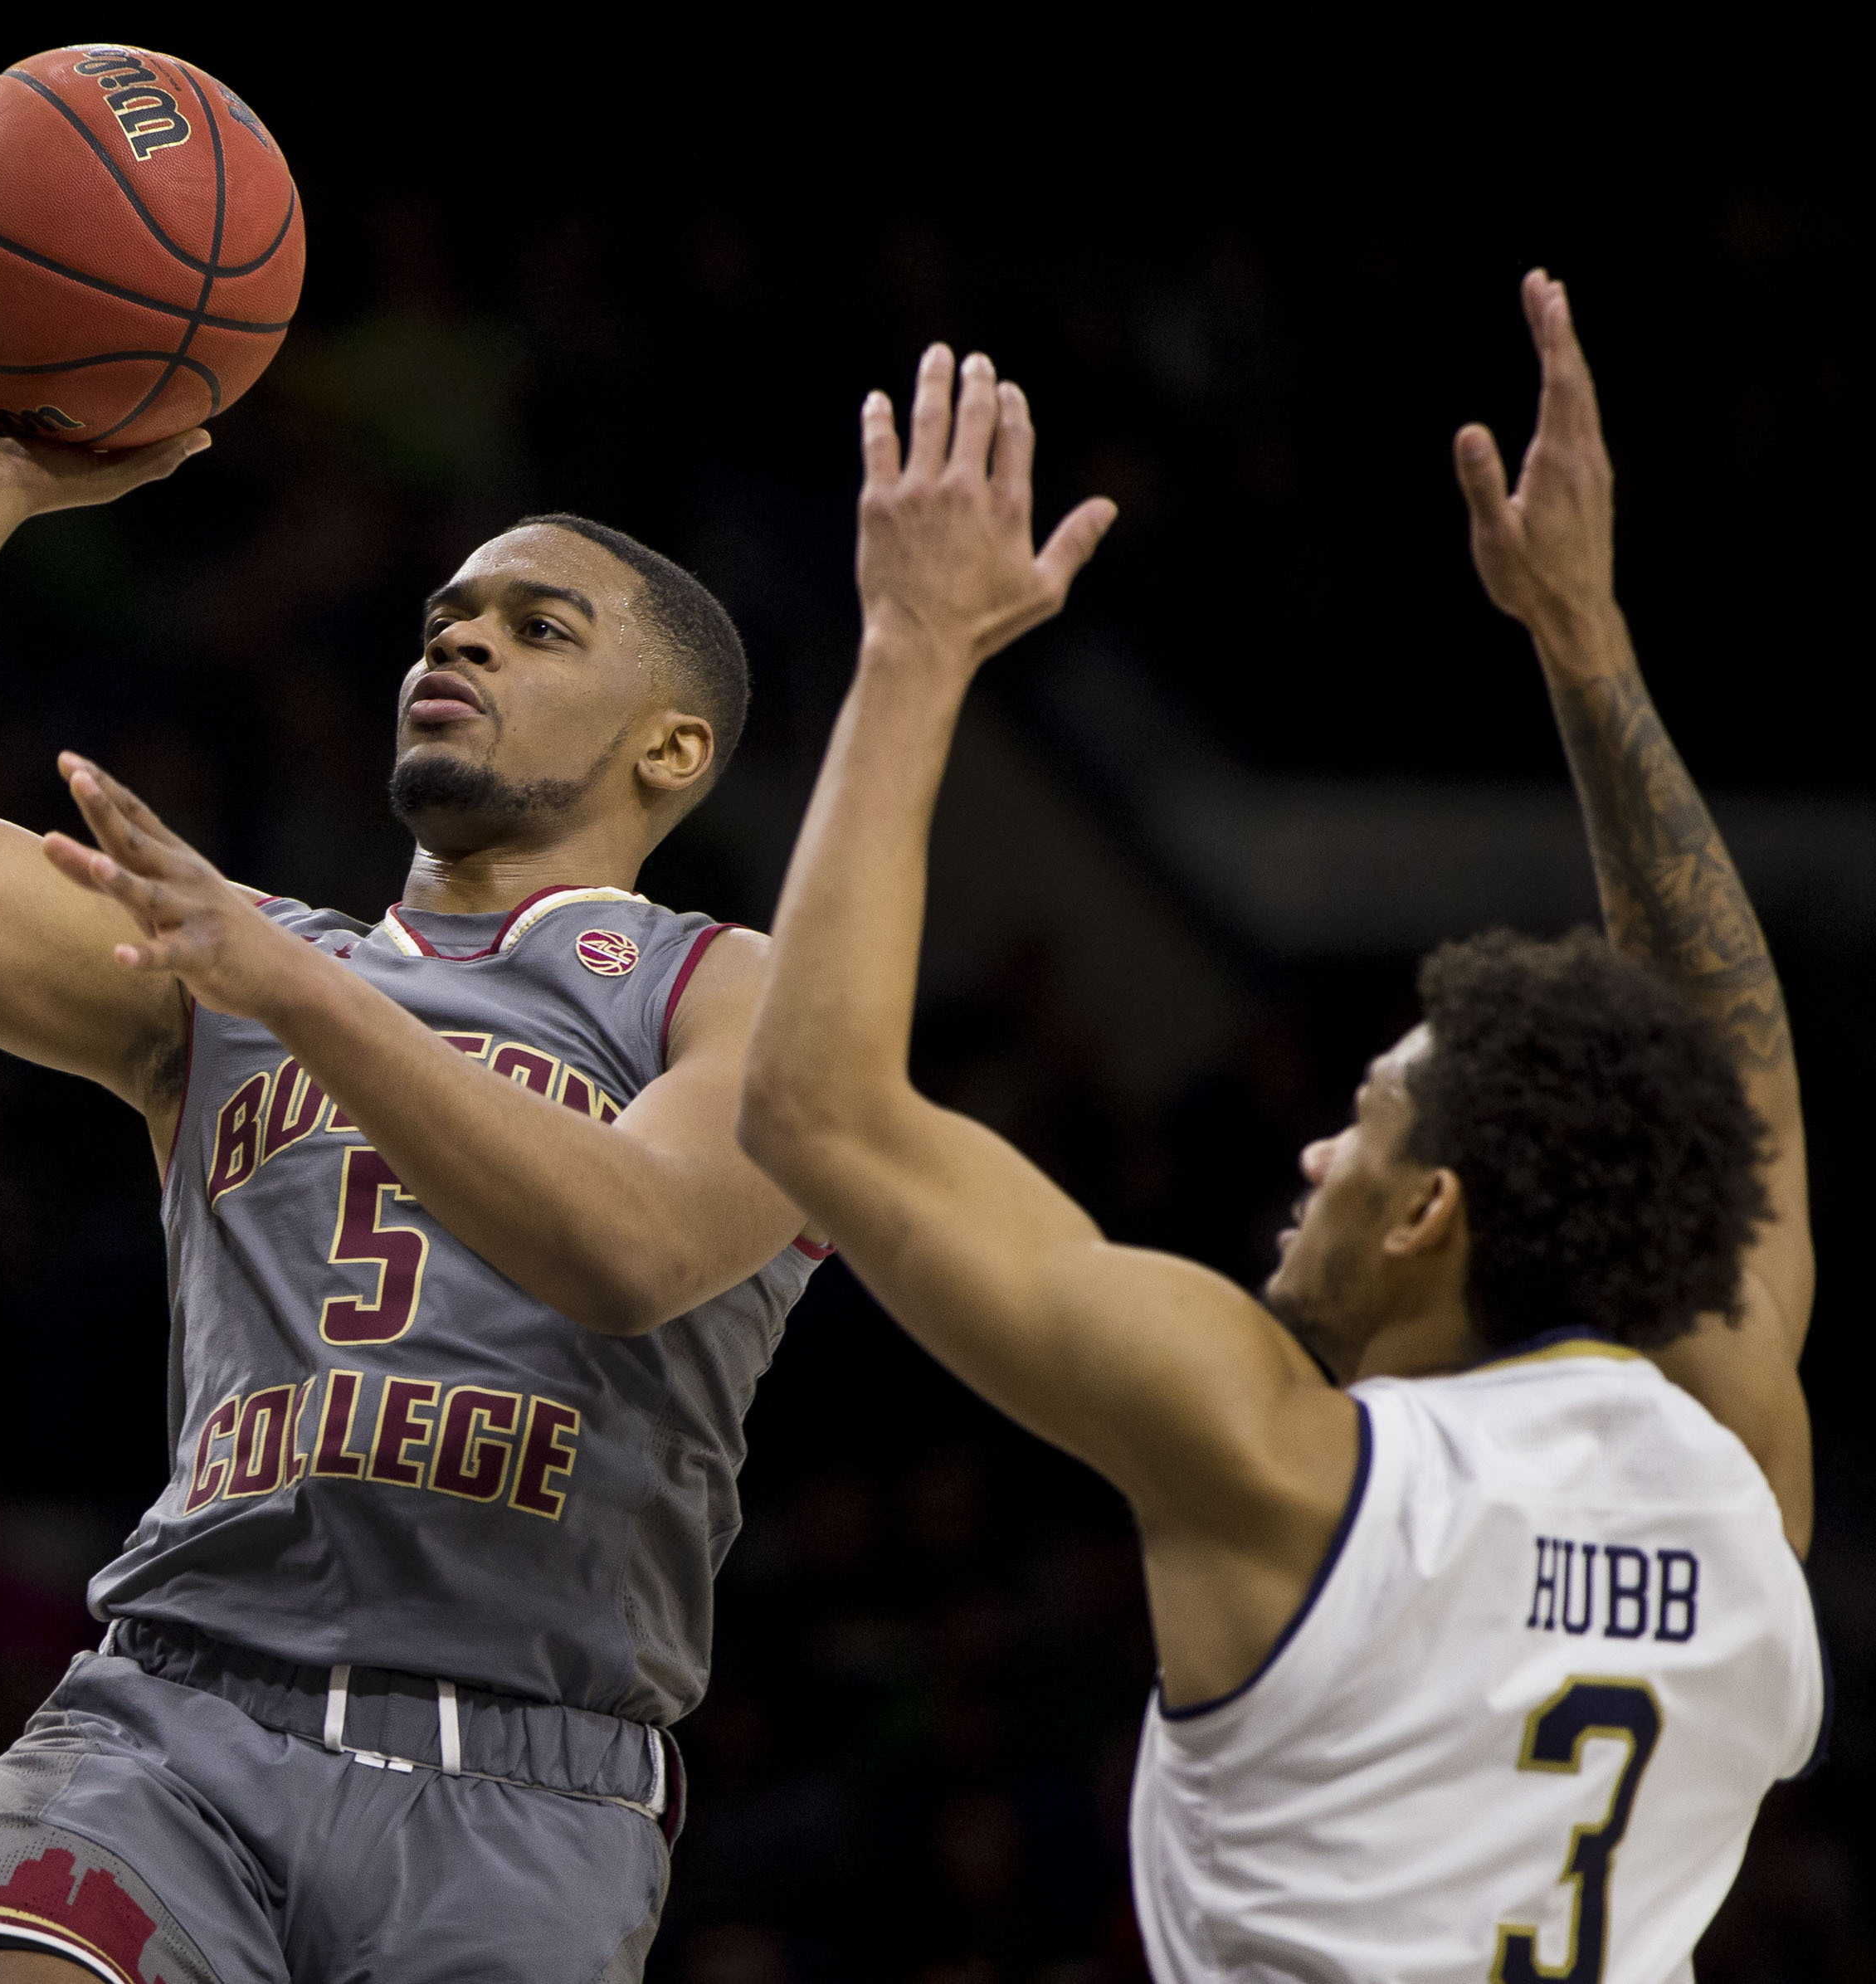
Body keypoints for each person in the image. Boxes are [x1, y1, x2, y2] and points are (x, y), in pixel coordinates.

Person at [732, 280, 1821, 1982]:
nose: (1315, 1154)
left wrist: (911, 655)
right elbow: (1736, 1062)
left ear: (1428, 1210)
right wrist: (1586, 640)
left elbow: (814, 1109)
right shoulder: (1739, 1473)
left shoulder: (1284, 1461)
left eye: (1363, 1120)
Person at [0, 379, 823, 1982]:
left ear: (672, 746)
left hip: (527, 1783)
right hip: (171, 1719)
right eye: (446, 620)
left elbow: (631, 1248)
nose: (458, 644)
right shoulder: (227, 961)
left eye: (536, 627)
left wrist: (291, 992)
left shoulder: (727, 992)